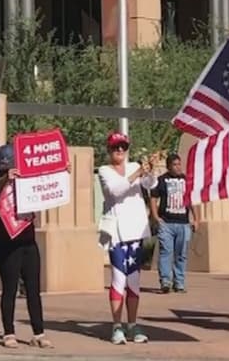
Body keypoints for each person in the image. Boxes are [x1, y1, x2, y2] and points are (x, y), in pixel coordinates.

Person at [0, 144, 51, 349]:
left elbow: (46, 183)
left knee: (33, 289)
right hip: (6, 243)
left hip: (27, 239)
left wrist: (61, 174)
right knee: (9, 288)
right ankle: (8, 332)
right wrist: (6, 178)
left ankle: (39, 333)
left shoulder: (26, 179)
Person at [96, 131, 157, 345]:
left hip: (136, 231)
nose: (120, 150)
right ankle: (116, 326)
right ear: (109, 150)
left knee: (134, 281)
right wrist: (139, 171)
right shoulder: (104, 171)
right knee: (118, 280)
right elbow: (115, 190)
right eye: (115, 147)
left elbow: (150, 185)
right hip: (117, 234)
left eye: (123, 146)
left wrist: (150, 170)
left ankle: (132, 325)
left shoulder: (134, 167)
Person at [149, 152, 198, 293]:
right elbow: (153, 198)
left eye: (179, 164)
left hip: (183, 223)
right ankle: (165, 281)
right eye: (174, 165)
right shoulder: (161, 180)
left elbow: (192, 200)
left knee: (181, 254)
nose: (178, 167)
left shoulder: (186, 180)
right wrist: (156, 216)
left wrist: (196, 218)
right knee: (166, 252)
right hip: (166, 223)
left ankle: (179, 283)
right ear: (168, 166)